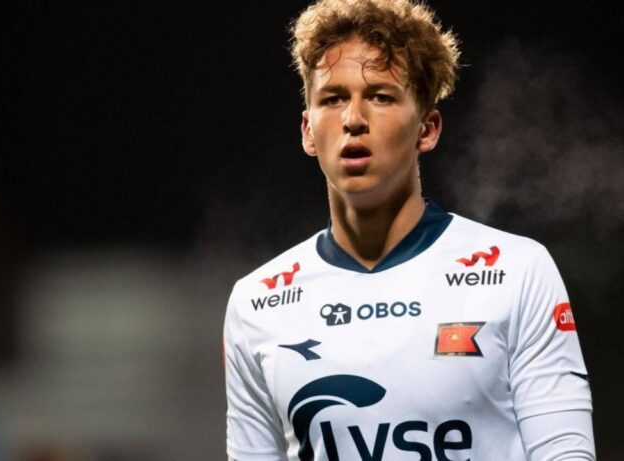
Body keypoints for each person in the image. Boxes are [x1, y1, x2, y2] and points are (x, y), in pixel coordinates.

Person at [224, 0, 595, 459]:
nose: (353, 119)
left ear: (428, 128)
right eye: (333, 98)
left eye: (380, 96)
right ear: (307, 130)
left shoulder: (517, 272)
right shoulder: (257, 303)